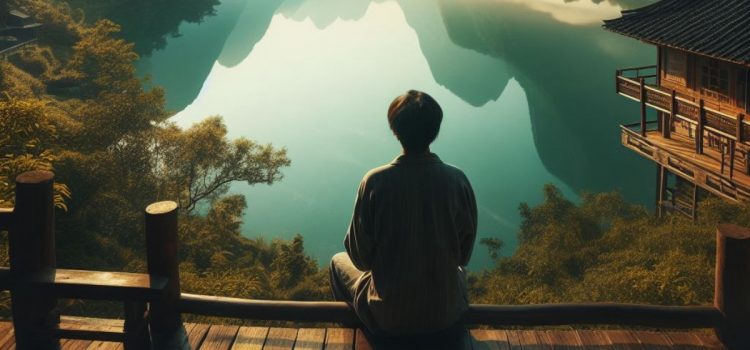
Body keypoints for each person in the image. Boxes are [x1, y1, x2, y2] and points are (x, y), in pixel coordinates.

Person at [329, 90, 478, 336]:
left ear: (395, 130)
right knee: (458, 272)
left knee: (337, 262)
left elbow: (360, 259)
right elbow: (463, 256)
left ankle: (357, 333)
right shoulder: (457, 180)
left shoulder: (375, 182)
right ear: (435, 129)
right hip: (446, 314)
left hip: (387, 316)